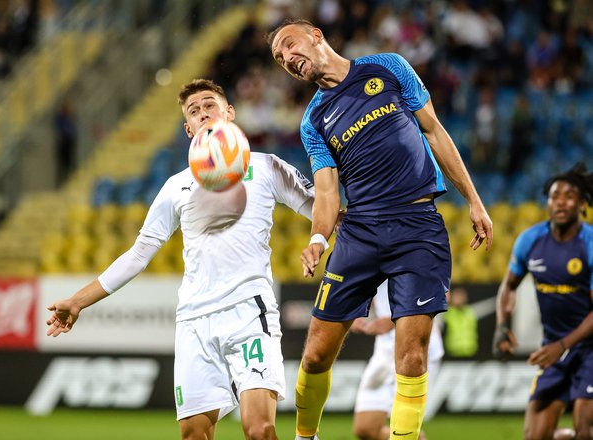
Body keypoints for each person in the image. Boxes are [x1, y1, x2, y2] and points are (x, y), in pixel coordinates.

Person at [45, 79, 315, 440]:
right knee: (193, 434)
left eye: (210, 105)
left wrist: (325, 236)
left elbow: (321, 209)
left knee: (260, 430)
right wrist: (78, 301)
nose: (203, 113)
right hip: (194, 320)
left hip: (249, 312)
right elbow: (139, 253)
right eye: (194, 111)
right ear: (188, 129)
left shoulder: (266, 166)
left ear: (229, 113)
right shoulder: (176, 186)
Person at [267, 19, 493, 440]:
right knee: (315, 356)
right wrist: (318, 238)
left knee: (411, 358)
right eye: (279, 59)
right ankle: (305, 437)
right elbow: (327, 192)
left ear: (316, 35)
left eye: (289, 46)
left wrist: (474, 201)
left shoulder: (388, 67)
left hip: (418, 226)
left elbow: (435, 131)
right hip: (361, 231)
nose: (287, 60)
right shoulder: (313, 120)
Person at [494, 163, 592, 440]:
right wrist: (502, 326)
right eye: (554, 195)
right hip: (555, 350)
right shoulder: (530, 240)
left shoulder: (590, 244)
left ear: (582, 203)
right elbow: (508, 287)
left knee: (587, 430)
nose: (560, 202)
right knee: (535, 437)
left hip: (589, 349)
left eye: (569, 196)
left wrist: (561, 345)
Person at [351, 280, 444, 440]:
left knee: (406, 430)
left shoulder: (417, 255)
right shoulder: (367, 255)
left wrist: (395, 319)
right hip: (384, 349)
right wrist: (357, 313)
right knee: (365, 429)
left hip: (417, 348)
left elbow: (440, 293)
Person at [443, 287, 478, 357]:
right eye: (456, 297)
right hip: (452, 352)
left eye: (461, 297)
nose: (459, 299)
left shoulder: (471, 311)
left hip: (470, 352)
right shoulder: (447, 312)